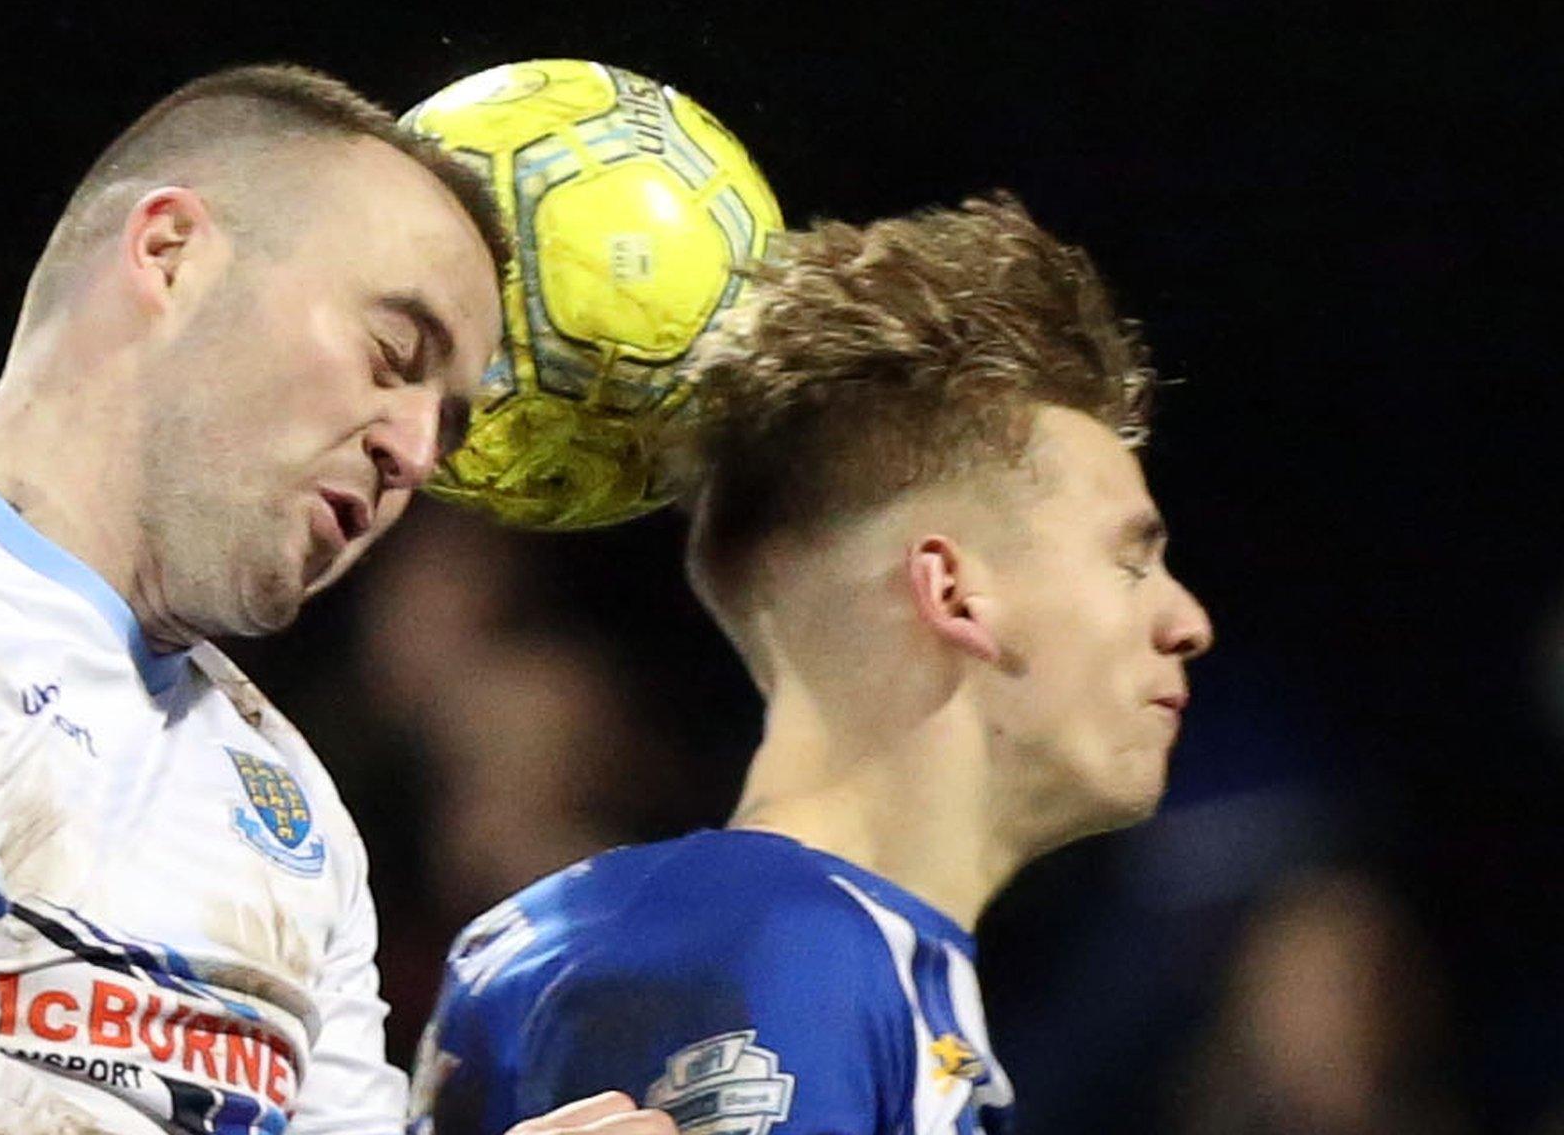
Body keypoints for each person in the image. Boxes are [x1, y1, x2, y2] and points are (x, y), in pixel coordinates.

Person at [0, 64, 674, 1135]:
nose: (415, 452)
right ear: (170, 251)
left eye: (448, 421)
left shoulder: (286, 792)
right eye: (392, 352)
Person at [409, 194, 1215, 1135]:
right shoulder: (761, 946)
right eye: (1129, 560)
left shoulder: (850, 958)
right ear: (953, 593)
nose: (1187, 620)